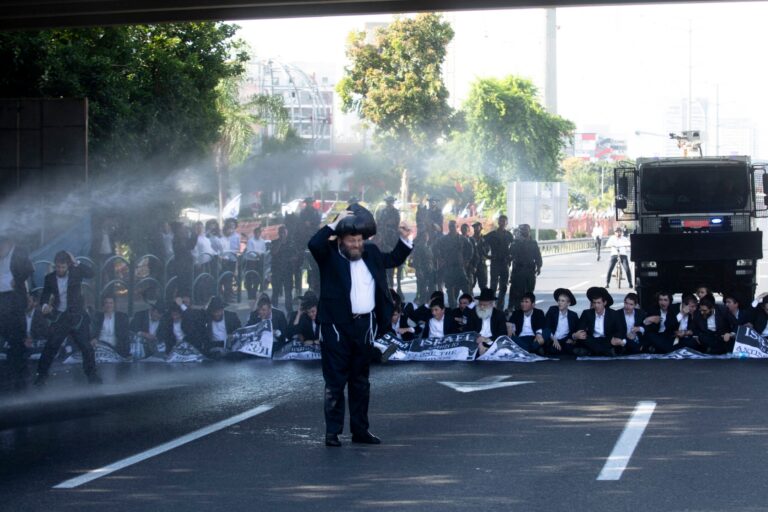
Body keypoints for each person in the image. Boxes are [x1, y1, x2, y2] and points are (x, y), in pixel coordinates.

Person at [308, 205, 411, 447]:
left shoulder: (371, 252)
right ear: (341, 240)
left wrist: (405, 237)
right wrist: (336, 222)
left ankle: (360, 431)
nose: (356, 244)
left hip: (364, 326)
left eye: (359, 239)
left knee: (360, 381)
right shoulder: (329, 254)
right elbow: (314, 243)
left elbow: (394, 259)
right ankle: (332, 433)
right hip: (335, 326)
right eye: (351, 240)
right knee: (335, 382)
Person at [36, 251, 101, 385]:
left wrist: (76, 262)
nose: (60, 270)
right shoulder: (50, 278)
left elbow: (91, 274)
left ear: (68, 265)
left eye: (63, 267)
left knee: (86, 346)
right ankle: (41, 375)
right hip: (60, 317)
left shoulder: (76, 272)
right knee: (51, 346)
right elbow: (44, 296)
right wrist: (44, 306)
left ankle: (92, 375)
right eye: (58, 267)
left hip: (77, 316)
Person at [0, 236, 34, 389]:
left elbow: (29, 269)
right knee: (6, 330)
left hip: (14, 297)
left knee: (18, 332)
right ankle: (10, 364)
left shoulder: (20, 252)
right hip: (2, 297)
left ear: (9, 243)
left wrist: (18, 280)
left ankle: (20, 369)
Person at [573, 287, 621, 357]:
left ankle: (592, 351)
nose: (596, 305)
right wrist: (579, 334)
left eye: (599, 303)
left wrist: (615, 338)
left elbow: (619, 330)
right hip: (592, 339)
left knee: (616, 341)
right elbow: (581, 328)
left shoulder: (613, 314)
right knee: (583, 339)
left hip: (606, 339)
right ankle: (605, 351)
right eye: (594, 303)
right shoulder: (586, 313)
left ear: (604, 303)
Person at [484, 215, 514, 311]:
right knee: (493, 286)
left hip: (504, 263)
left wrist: (510, 258)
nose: (502, 223)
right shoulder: (492, 234)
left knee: (503, 286)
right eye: (500, 221)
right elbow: (481, 244)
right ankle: (491, 306)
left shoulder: (509, 235)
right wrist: (487, 256)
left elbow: (513, 249)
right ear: (498, 222)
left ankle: (500, 307)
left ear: (507, 223)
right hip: (495, 263)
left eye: (504, 221)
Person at [509, 224, 542, 311]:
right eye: (522, 230)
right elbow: (511, 253)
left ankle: (529, 309)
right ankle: (518, 310)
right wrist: (516, 241)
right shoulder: (516, 242)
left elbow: (537, 255)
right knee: (518, 293)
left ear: (529, 230)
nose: (525, 231)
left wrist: (539, 266)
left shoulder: (533, 243)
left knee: (530, 291)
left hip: (530, 271)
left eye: (526, 229)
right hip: (519, 271)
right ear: (520, 231)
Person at [376, 196, 403, 293]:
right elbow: (379, 221)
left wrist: (388, 224)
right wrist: (379, 224)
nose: (389, 204)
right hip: (383, 231)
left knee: (398, 238)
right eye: (388, 202)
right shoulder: (383, 211)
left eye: (390, 202)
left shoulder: (395, 212)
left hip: (392, 231)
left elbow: (396, 222)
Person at [544, 288, 579, 357]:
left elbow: (576, 329)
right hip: (553, 338)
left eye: (563, 301)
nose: (559, 303)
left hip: (565, 340)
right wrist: (554, 339)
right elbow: (547, 326)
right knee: (553, 350)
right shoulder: (552, 310)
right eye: (559, 300)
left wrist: (573, 339)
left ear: (568, 303)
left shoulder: (573, 315)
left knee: (570, 349)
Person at [471, 222, 489, 291]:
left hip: (482, 264)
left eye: (477, 227)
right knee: (471, 284)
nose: (475, 229)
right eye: (474, 227)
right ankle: (469, 301)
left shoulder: (485, 239)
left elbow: (487, 250)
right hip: (472, 265)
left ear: (481, 228)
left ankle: (484, 301)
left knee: (483, 285)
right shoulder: (470, 239)